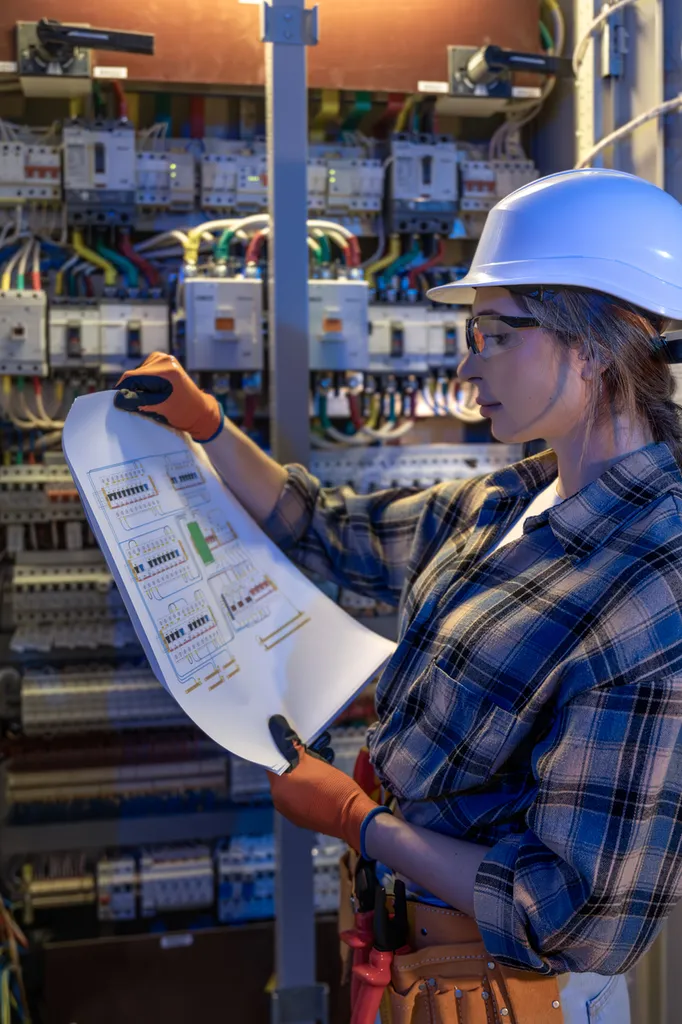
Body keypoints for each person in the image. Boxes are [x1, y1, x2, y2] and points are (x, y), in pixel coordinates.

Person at [115, 167, 682, 1024]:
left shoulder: (652, 585)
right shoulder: (508, 501)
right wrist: (208, 427)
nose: (466, 361)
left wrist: (357, 822)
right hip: (416, 966)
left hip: (518, 998)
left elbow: (573, 918)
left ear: (594, 345)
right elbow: (330, 530)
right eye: (470, 331)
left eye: (494, 333)